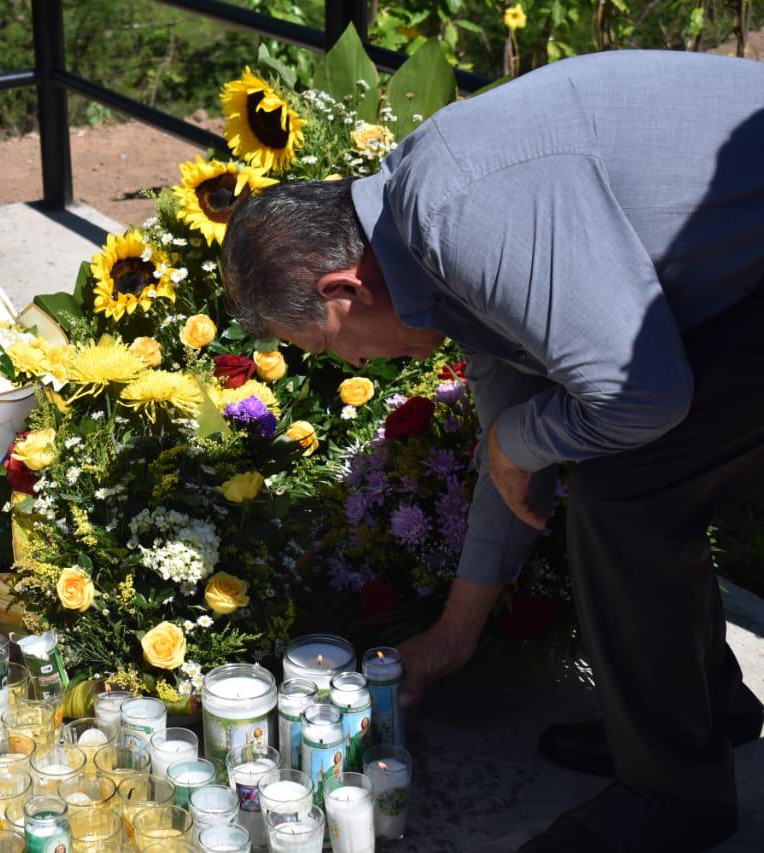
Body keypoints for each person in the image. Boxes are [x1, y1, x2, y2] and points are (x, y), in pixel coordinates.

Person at [221, 50, 764, 850]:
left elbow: (640, 397)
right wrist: (452, 635)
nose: (356, 362)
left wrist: (519, 438)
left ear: (343, 288)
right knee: (624, 470)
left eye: (333, 347)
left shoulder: (458, 217)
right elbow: (509, 462)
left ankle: (674, 793)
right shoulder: (423, 234)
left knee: (626, 488)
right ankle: (699, 713)